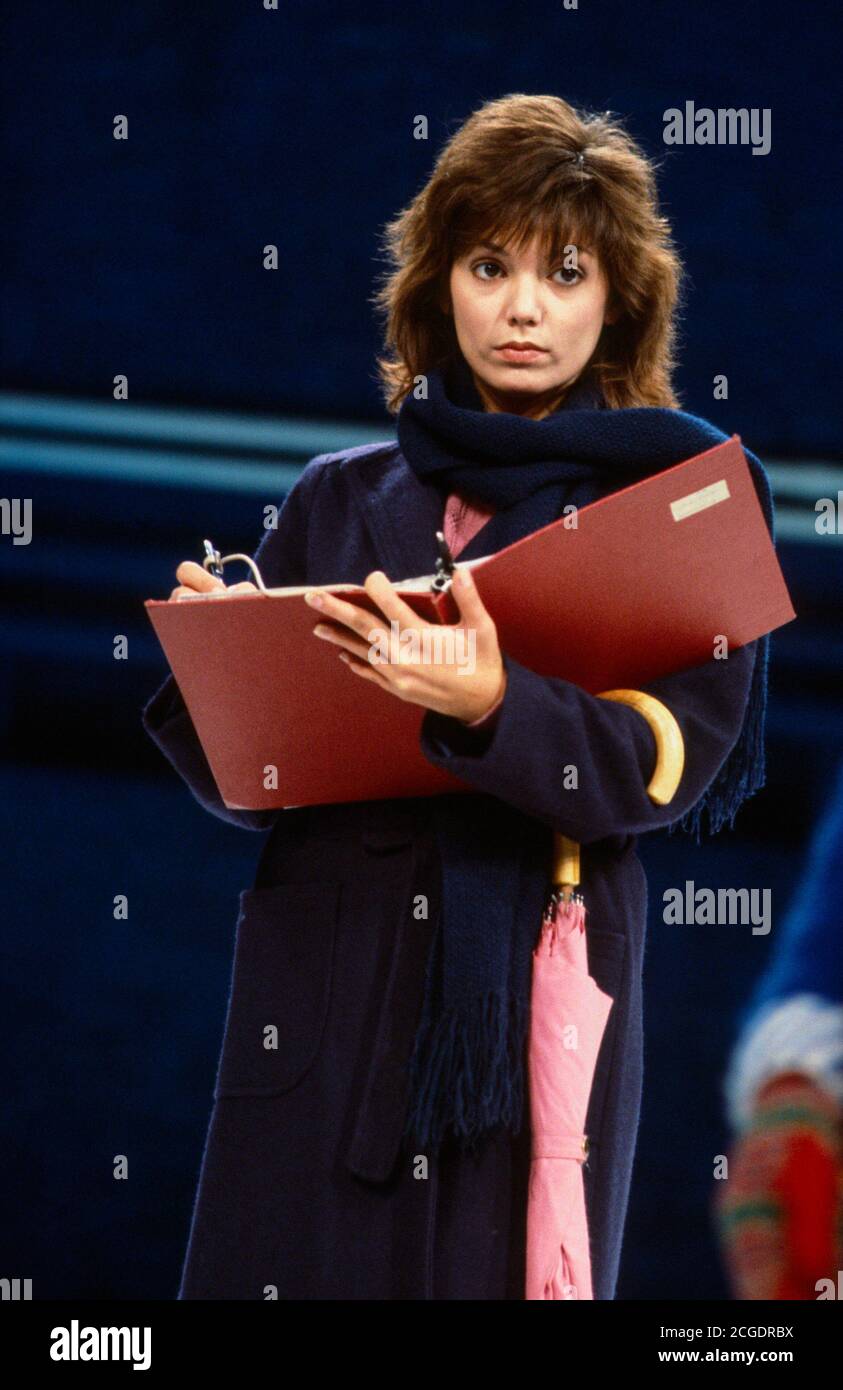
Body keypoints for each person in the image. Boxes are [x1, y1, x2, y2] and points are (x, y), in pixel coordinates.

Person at [142, 93, 773, 1300]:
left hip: (526, 992)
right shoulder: (339, 491)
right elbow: (256, 788)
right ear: (441, 282)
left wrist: (496, 702)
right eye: (490, 265)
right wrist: (223, 660)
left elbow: (663, 766)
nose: (524, 307)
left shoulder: (674, 502)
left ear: (618, 301)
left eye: (565, 271)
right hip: (329, 996)